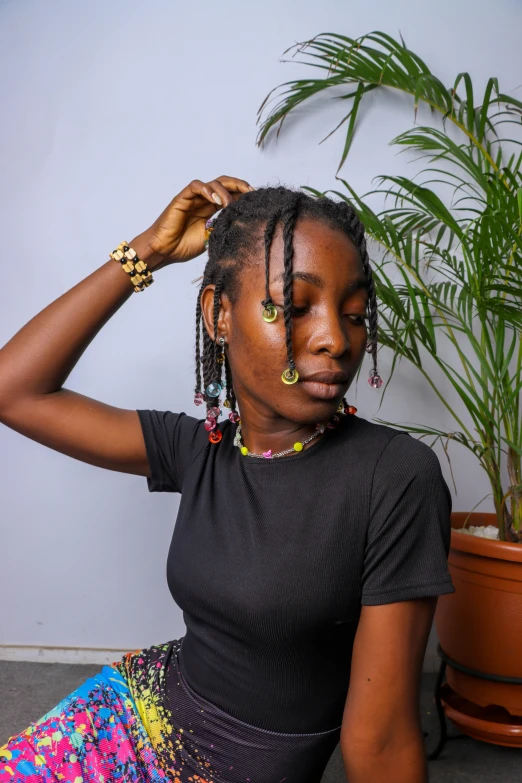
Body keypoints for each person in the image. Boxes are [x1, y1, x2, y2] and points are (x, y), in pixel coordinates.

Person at [0, 176, 455, 783]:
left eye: (354, 314)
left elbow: (383, 740)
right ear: (218, 313)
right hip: (136, 711)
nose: (336, 338)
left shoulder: (394, 477)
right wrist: (149, 252)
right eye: (294, 307)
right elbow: (14, 391)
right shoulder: (203, 449)